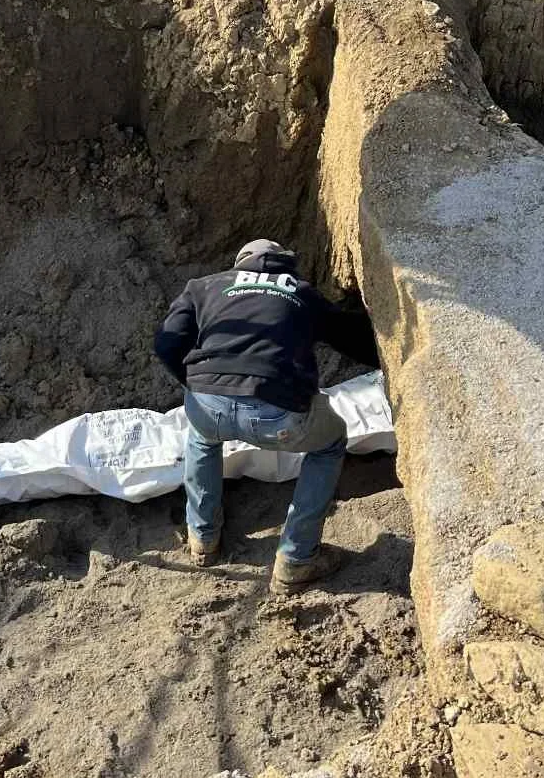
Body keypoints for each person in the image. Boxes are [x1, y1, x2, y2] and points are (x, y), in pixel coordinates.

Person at [153, 237, 380, 590]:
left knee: (201, 438)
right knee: (329, 443)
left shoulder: (204, 286)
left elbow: (166, 342)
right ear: (284, 263)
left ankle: (203, 539)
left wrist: (198, 384)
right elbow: (355, 340)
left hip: (208, 403)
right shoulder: (302, 292)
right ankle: (296, 559)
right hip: (279, 412)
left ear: (240, 262)